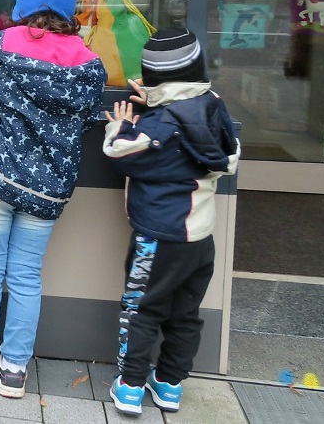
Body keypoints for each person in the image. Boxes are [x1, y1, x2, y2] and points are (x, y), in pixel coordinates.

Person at [0, 0, 107, 398]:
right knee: (25, 276)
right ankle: (15, 370)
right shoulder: (88, 63)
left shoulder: (2, 46)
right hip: (48, 186)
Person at [102, 28, 240, 416]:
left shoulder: (158, 127)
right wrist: (158, 100)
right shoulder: (214, 108)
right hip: (200, 239)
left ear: (152, 75)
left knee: (141, 309)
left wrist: (122, 124)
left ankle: (129, 387)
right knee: (185, 313)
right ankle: (170, 384)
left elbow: (118, 152)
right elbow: (230, 154)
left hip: (158, 239)